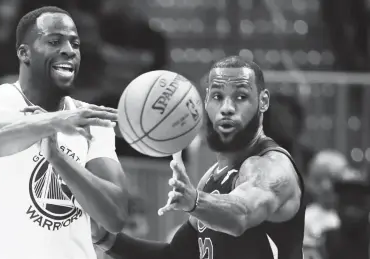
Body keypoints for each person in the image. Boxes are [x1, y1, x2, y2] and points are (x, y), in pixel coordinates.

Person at [92, 56, 306, 259]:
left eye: (241, 97)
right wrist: (105, 238)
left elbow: (241, 214)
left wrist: (194, 201)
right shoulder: (211, 178)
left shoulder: (271, 167)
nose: (227, 108)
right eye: (217, 96)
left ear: (263, 101)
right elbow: (175, 255)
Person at [0, 6, 128, 259]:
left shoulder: (91, 120)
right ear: (24, 53)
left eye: (75, 43)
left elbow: (115, 217)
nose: (69, 50)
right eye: (54, 41)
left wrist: (60, 160)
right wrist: (54, 122)